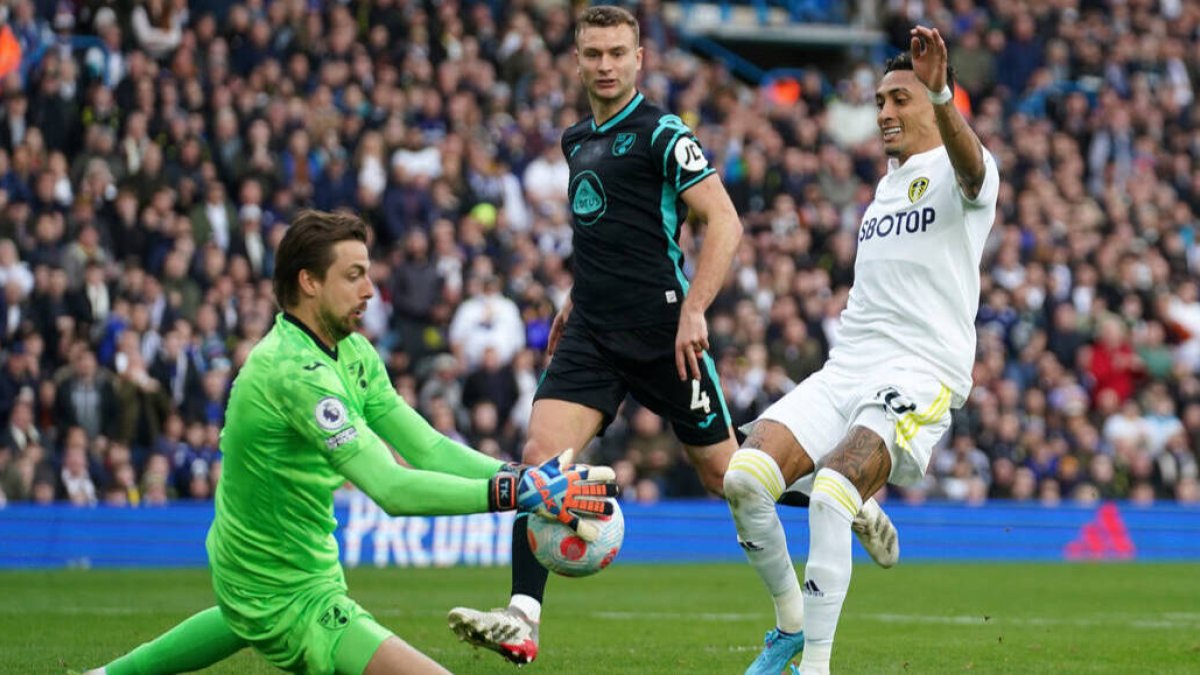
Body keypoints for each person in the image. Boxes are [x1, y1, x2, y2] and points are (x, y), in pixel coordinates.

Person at [445, 5, 897, 665]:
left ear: (638, 59)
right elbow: (611, 230)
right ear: (577, 59)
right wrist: (576, 294)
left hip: (664, 330)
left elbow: (724, 220)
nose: (604, 65)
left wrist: (694, 308)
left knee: (729, 474)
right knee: (540, 458)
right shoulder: (577, 140)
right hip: (594, 332)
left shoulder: (662, 132)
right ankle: (522, 616)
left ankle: (842, 495)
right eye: (593, 53)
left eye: (616, 53)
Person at [84, 210, 617, 675]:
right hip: (288, 590)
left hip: (285, 565)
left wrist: (524, 479)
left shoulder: (353, 353)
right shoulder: (295, 373)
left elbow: (427, 447)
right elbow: (391, 488)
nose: (369, 290)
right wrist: (513, 493)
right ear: (309, 282)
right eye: (354, 276)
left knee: (241, 614)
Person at [727, 27, 1000, 675]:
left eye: (898, 100)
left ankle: (814, 668)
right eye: (879, 101)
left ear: (935, 101)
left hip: (920, 368)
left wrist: (938, 94)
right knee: (742, 478)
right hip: (847, 366)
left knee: (828, 494)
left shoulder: (963, 175)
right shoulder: (882, 189)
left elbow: (971, 165)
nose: (883, 112)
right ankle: (791, 627)